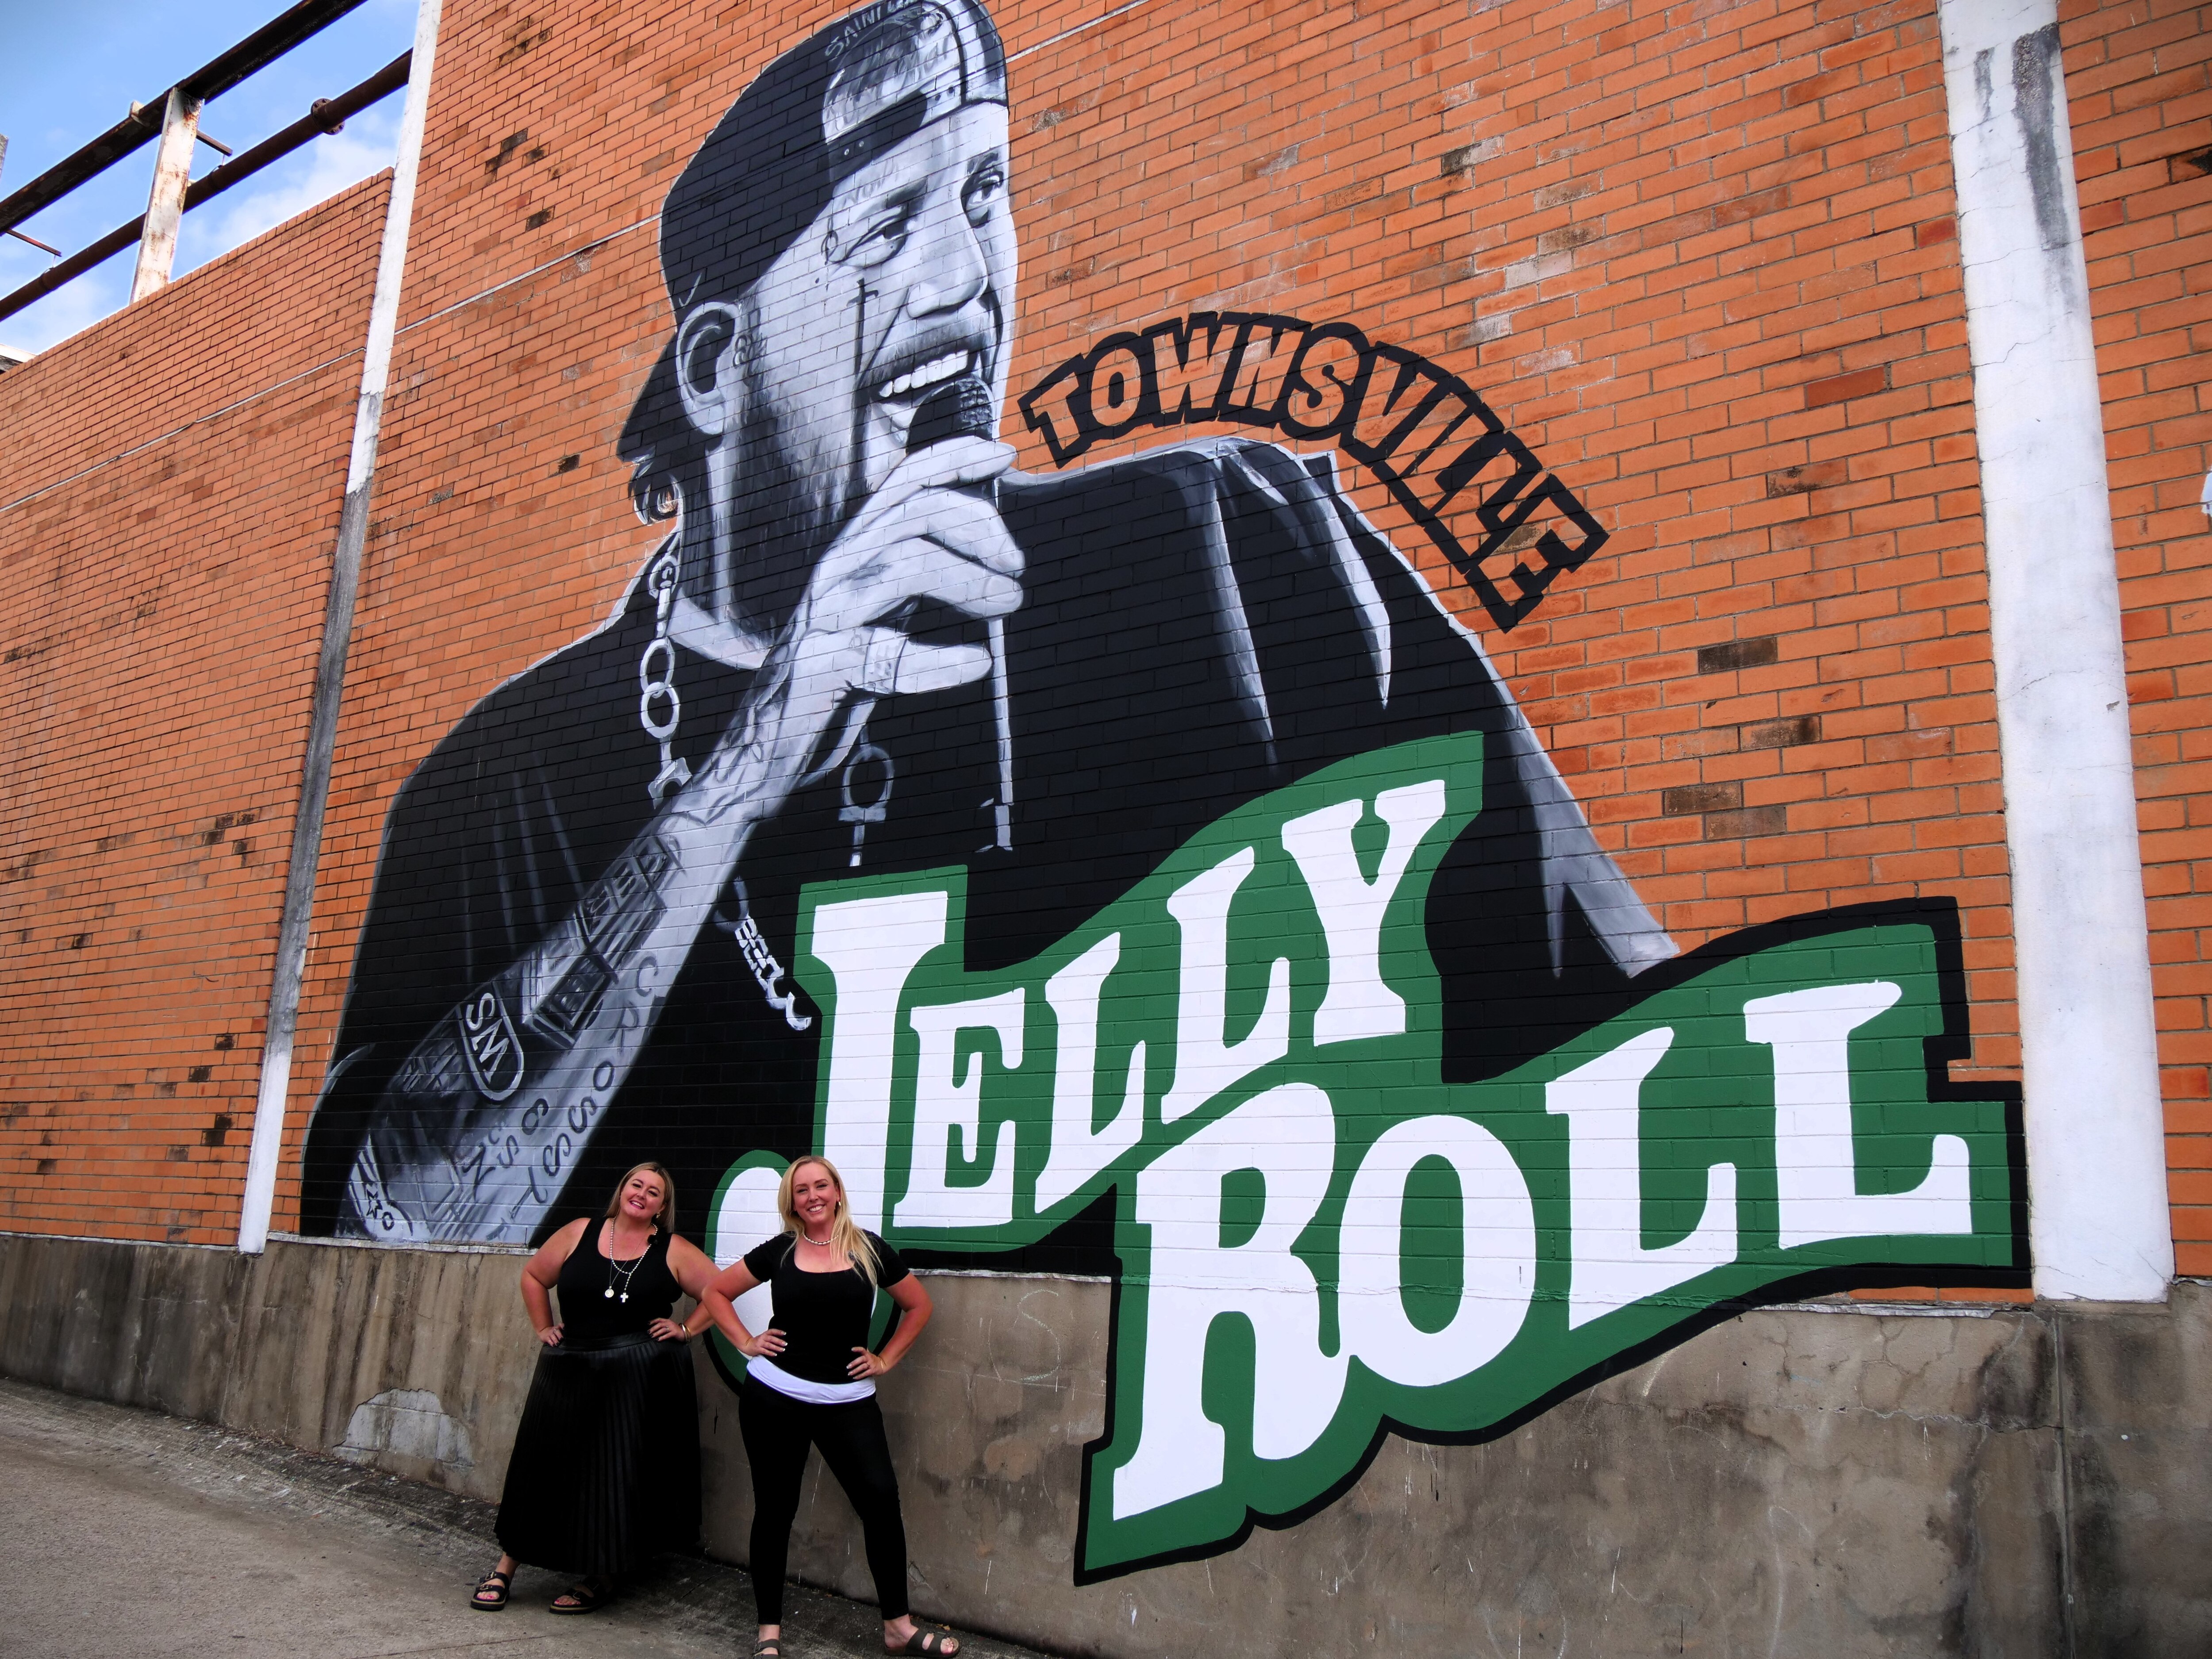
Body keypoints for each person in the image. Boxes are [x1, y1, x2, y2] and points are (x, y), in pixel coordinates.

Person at [299, 0, 1676, 1249]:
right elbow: (379, 1227)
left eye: (984, 195)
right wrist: (751, 763)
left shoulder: (1235, 549)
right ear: (715, 367)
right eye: (887, 226)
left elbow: (1635, 1054)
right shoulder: (492, 784)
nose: (968, 276)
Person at [700, 1155, 956, 1658]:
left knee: (880, 1501)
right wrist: (746, 1341)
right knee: (775, 1511)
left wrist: (885, 1359)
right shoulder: (780, 1250)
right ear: (792, 1202)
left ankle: (897, 1627)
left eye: (821, 1186)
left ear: (837, 1192)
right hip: (774, 1397)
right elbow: (715, 1292)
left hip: (848, 1402)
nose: (813, 1196)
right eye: (802, 1190)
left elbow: (919, 1305)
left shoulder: (869, 1249)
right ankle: (769, 1633)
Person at [469, 1162, 716, 1614]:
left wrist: (685, 1329)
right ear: (622, 1189)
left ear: (663, 1207)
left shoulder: (673, 1249)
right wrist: (543, 1327)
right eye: (636, 1185)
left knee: (614, 1477)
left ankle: (602, 1574)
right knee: (541, 1468)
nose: (642, 1194)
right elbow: (533, 1276)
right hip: (568, 1371)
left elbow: (719, 1293)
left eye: (654, 1192)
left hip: (635, 1382)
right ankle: (506, 1566)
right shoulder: (580, 1231)